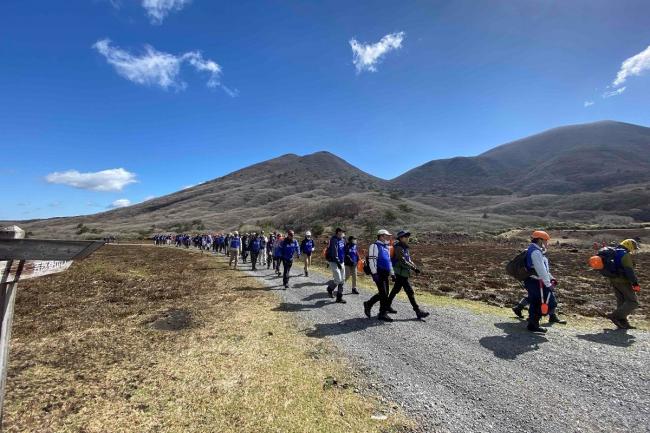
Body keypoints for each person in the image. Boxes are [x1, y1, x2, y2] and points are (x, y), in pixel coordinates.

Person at [516, 230, 564, 333]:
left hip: (532, 280)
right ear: (540, 240)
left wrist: (551, 277)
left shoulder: (533, 249)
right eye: (546, 240)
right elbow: (540, 269)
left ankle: (533, 323)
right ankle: (533, 323)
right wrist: (548, 284)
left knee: (535, 302)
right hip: (535, 281)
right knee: (551, 303)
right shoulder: (536, 252)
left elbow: (543, 269)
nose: (547, 243)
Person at [386, 230, 430, 319]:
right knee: (409, 291)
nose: (407, 238)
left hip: (403, 272)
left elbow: (408, 260)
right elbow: (403, 260)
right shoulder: (398, 247)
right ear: (401, 238)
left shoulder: (405, 247)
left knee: (396, 289)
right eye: (406, 236)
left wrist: (415, 267)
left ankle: (387, 305)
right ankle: (418, 311)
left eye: (408, 236)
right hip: (400, 272)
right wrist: (414, 268)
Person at [606, 239, 641, 329]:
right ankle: (614, 316)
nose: (633, 250)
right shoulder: (625, 255)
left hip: (613, 280)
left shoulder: (614, 252)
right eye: (633, 248)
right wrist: (635, 284)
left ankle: (623, 323)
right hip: (623, 281)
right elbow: (629, 271)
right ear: (628, 245)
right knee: (633, 302)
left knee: (621, 301)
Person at [363, 229, 395, 321]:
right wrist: (374, 273)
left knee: (385, 293)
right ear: (381, 236)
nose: (388, 238)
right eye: (387, 236)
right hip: (378, 273)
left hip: (385, 273)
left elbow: (389, 261)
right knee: (384, 294)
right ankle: (382, 313)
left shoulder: (386, 247)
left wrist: (392, 273)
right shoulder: (374, 246)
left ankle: (369, 304)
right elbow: (372, 260)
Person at [325, 228, 347, 303]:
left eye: (343, 232)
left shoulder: (343, 240)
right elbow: (335, 253)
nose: (343, 233)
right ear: (338, 232)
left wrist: (345, 259)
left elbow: (344, 250)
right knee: (338, 279)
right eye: (342, 232)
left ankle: (339, 297)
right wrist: (338, 262)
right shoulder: (334, 240)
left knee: (342, 280)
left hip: (341, 261)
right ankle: (330, 289)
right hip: (334, 262)